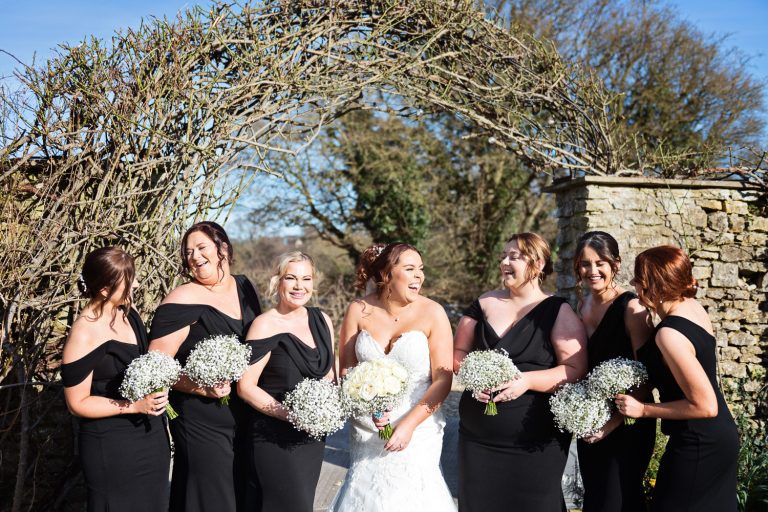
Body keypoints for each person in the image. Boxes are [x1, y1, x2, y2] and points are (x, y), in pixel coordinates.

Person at [454, 232, 587, 512]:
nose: (504, 261)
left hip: (534, 443)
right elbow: (458, 354)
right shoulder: (483, 304)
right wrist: (472, 374)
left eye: (514, 257)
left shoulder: (558, 311)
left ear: (537, 265)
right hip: (478, 441)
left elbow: (575, 369)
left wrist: (527, 381)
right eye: (503, 255)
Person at [330, 243, 456, 512]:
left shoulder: (433, 312)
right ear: (387, 274)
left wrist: (408, 426)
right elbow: (348, 373)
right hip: (366, 427)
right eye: (409, 269)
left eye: (421, 269)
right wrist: (368, 411)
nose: (419, 276)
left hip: (419, 426)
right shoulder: (358, 309)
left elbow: (443, 380)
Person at [616, 245, 739, 511]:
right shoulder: (693, 308)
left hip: (698, 443)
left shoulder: (669, 334)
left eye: (639, 280)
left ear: (653, 285)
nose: (635, 285)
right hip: (719, 436)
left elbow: (705, 406)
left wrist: (643, 409)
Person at [148, 221, 261, 512]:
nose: (195, 257)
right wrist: (200, 386)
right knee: (211, 498)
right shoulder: (181, 299)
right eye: (188, 252)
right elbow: (155, 366)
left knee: (240, 494)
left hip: (244, 415)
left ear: (223, 248)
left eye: (201, 248)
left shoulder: (245, 287)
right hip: (200, 419)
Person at [61, 246, 170, 512]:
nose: (135, 286)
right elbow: (77, 403)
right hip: (111, 447)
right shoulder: (84, 332)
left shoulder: (129, 315)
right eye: (128, 282)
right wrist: (133, 406)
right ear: (104, 290)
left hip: (150, 438)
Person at [237, 252, 335, 512]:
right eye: (290, 278)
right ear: (277, 282)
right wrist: (290, 415)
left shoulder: (322, 320)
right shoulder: (264, 325)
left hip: (312, 438)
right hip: (274, 436)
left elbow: (329, 376)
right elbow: (245, 387)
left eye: (306, 278)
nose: (298, 286)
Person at [572, 231, 656, 512]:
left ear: (616, 265)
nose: (592, 271)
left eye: (600, 263)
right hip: (592, 421)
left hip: (627, 425)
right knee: (596, 499)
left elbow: (646, 378)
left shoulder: (632, 308)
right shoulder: (581, 305)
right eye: (585, 264)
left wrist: (609, 425)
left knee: (619, 501)